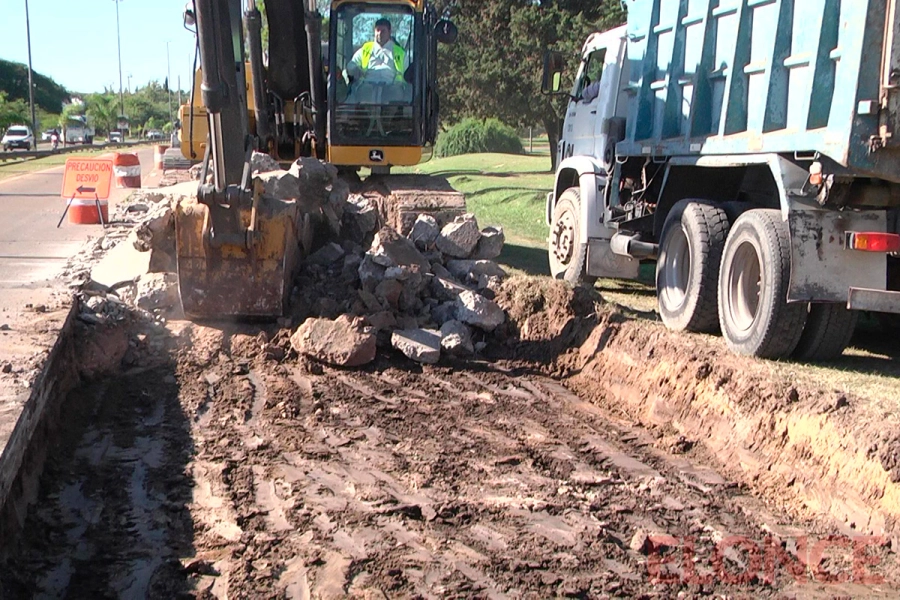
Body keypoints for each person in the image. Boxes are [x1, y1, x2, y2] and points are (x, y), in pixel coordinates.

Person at [344, 18, 410, 103]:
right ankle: (367, 116)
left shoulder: (399, 53)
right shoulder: (365, 49)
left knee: (396, 93)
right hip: (367, 85)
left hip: (392, 86)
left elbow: (408, 73)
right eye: (377, 30)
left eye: (383, 31)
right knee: (362, 92)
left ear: (389, 32)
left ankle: (389, 116)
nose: (379, 33)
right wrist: (356, 69)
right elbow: (350, 66)